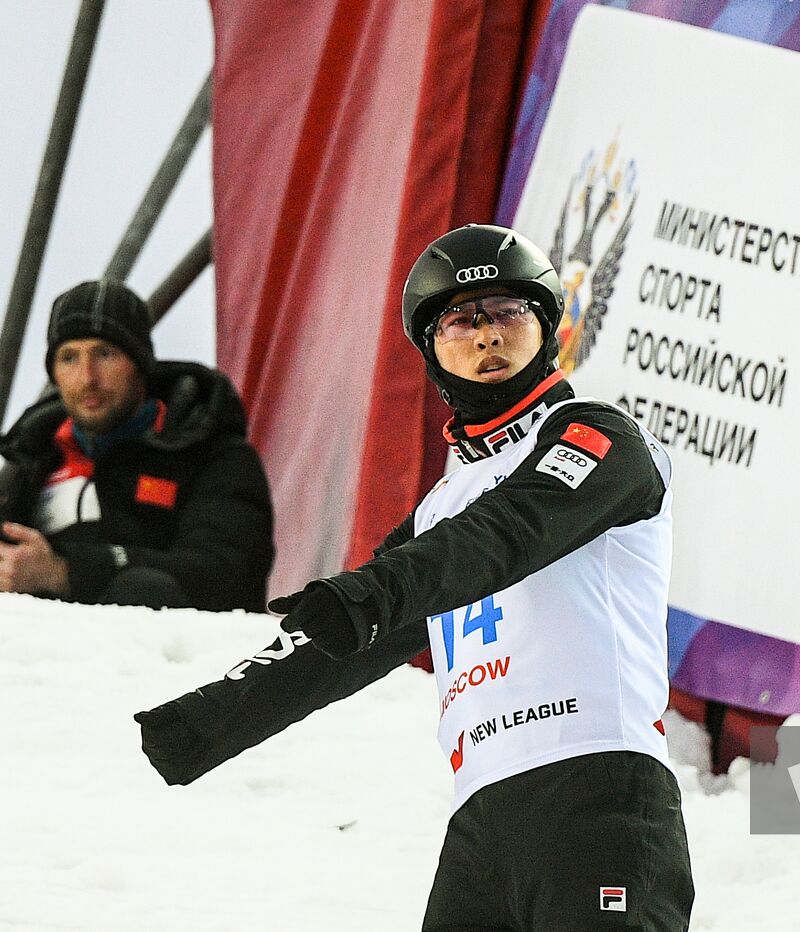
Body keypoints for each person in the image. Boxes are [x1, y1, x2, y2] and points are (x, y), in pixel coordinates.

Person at [135, 225, 694, 930]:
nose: (487, 335)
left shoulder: (602, 438)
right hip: (480, 822)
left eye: (508, 313)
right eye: (460, 320)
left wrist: (370, 593)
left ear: (548, 327)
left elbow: (509, 532)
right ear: (432, 351)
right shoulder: (440, 509)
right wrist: (209, 719)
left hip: (598, 787)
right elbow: (350, 633)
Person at [0, 280, 274, 611]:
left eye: (105, 353)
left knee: (143, 590)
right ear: (54, 373)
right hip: (45, 657)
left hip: (179, 657)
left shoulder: (215, 456)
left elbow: (228, 574)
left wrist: (66, 571)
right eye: (69, 357)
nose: (87, 377)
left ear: (141, 364)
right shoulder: (28, 465)